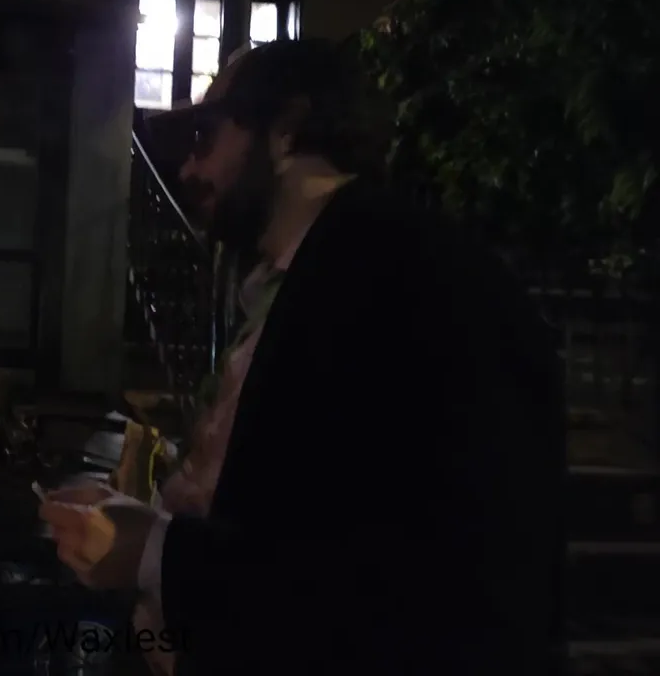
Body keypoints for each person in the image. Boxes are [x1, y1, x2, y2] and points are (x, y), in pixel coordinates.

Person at [40, 39, 564, 676]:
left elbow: (382, 570)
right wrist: (148, 530)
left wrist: (155, 551)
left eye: (205, 135)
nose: (187, 168)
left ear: (285, 130)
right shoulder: (311, 276)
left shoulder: (393, 281)